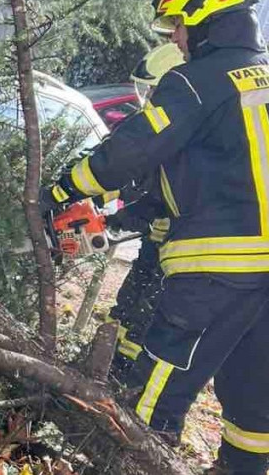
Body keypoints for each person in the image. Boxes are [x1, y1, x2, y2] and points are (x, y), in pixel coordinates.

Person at [44, 0, 269, 475]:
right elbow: (218, 176)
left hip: (222, 266)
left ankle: (124, 467)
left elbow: (131, 149)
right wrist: (121, 215)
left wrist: (62, 189)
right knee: (254, 398)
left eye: (179, 24)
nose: (176, 36)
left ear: (205, 17)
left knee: (156, 391)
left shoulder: (197, 81)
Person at [105, 43, 185, 382]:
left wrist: (132, 214)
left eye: (154, 88)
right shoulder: (169, 129)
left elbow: (169, 196)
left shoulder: (189, 133)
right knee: (127, 306)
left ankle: (127, 379)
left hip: (177, 257)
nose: (148, 96)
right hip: (155, 248)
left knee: (145, 317)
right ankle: (107, 362)